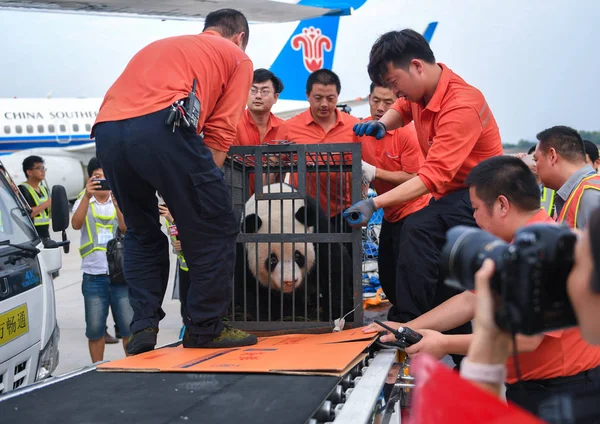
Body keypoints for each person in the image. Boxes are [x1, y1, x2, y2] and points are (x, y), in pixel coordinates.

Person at [366, 155, 600, 414]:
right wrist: (407, 327)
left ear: (502, 205)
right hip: (533, 388)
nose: (474, 218)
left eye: (476, 208)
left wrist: (444, 344)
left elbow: (524, 341)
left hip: (564, 392)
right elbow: (471, 299)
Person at [92, 8, 258, 354]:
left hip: (107, 130)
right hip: (160, 126)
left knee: (140, 230)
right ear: (239, 37)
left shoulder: (166, 45)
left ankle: (142, 328)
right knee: (215, 225)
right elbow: (219, 133)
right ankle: (206, 328)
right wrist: (199, 200)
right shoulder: (238, 58)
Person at [348, 29, 503, 350]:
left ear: (417, 66)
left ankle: (407, 319)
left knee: (418, 228)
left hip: (483, 194)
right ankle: (446, 343)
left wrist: (373, 205)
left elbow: (431, 177)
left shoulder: (461, 105)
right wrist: (383, 124)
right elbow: (403, 108)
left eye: (394, 83)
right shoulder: (422, 94)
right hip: (454, 196)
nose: (394, 92)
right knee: (448, 280)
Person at [356, 82, 431, 318]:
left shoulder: (406, 132)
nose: (380, 107)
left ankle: (413, 321)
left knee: (410, 271)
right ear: (368, 98)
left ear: (397, 103)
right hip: (389, 210)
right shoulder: (362, 129)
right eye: (376, 100)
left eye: (388, 103)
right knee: (386, 271)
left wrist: (375, 173)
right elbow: (360, 170)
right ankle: (401, 314)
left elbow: (415, 177)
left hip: (415, 209)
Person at [275, 69, 359, 231]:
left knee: (344, 256)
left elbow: (362, 170)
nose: (324, 104)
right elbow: (274, 168)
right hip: (302, 212)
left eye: (330, 98)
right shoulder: (289, 128)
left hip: (344, 212)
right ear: (307, 95)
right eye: (318, 98)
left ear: (338, 97)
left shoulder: (353, 127)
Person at [71, 158, 132, 363]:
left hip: (120, 274)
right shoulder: (84, 199)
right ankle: (96, 368)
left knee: (128, 327)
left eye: (106, 176)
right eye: (98, 177)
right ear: (90, 179)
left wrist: (117, 204)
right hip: (94, 274)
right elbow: (76, 224)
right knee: (95, 329)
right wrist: (87, 196)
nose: (103, 181)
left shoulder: (120, 199)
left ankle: (132, 365)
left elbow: (125, 228)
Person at [533, 126, 600, 228]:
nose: (535, 168)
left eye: (536, 159)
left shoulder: (589, 196)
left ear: (552, 156)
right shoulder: (575, 193)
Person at [234, 68, 284, 147]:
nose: (258, 96)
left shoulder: (283, 128)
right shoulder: (233, 125)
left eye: (264, 91)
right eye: (253, 90)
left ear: (275, 97)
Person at [18, 155, 51, 241]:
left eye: (43, 168)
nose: (43, 171)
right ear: (29, 172)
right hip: (31, 236)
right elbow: (26, 214)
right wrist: (46, 204)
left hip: (45, 234)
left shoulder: (44, 189)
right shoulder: (22, 189)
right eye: (39, 168)